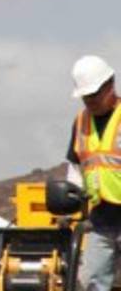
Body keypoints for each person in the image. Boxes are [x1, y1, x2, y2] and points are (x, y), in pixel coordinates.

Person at [67, 55, 121, 291]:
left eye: (94, 94)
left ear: (111, 85)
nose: (90, 101)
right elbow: (77, 168)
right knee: (94, 282)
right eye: (86, 96)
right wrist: (71, 197)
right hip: (102, 219)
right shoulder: (80, 122)